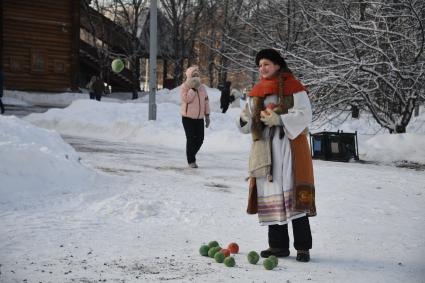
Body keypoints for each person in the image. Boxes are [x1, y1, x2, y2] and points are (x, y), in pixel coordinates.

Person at [237, 49, 316, 262]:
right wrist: (245, 119)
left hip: (289, 149)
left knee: (294, 198)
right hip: (265, 150)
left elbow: (305, 114)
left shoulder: (294, 88)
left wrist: (280, 120)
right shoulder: (256, 92)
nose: (262, 69)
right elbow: (246, 125)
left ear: (277, 65)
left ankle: (302, 247)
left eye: (266, 64)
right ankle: (278, 246)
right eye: (260, 65)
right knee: (270, 196)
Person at [180, 66, 211, 168]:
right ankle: (191, 161)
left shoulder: (202, 87)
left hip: (199, 119)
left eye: (197, 75)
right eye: (194, 75)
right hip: (187, 118)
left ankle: (191, 154)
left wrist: (207, 115)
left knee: (200, 139)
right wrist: (193, 88)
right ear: (189, 76)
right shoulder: (185, 86)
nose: (196, 77)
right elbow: (186, 99)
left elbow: (206, 101)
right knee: (190, 138)